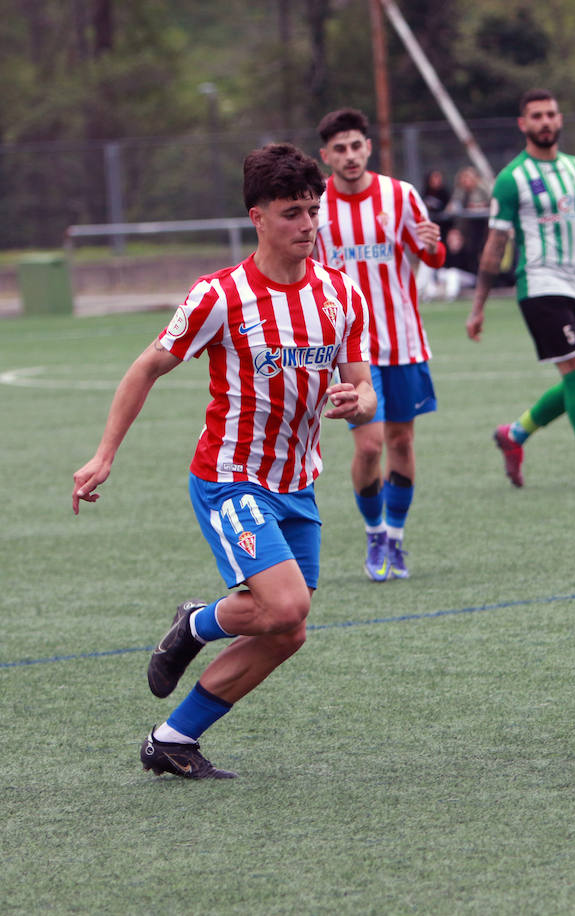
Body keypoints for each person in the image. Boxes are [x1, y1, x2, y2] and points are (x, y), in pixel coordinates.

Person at [71, 143, 375, 779]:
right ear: (257, 217)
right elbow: (148, 365)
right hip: (229, 476)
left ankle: (173, 738)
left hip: (297, 483)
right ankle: (196, 624)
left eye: (313, 210)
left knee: (286, 631)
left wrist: (357, 399)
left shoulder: (339, 294)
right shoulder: (220, 295)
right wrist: (104, 454)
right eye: (292, 213)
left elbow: (364, 388)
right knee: (287, 607)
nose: (309, 225)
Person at [465, 89, 575, 490]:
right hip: (539, 286)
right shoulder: (510, 179)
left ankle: (514, 434)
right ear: (523, 124)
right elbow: (495, 247)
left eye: (551, 114)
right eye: (536, 116)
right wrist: (478, 306)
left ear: (559, 120)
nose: (545, 121)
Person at [317, 109, 444, 583]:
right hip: (351, 351)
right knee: (369, 447)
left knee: (401, 441)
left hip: (404, 341)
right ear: (325, 155)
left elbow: (431, 254)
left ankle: (395, 536)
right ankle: (373, 533)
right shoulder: (318, 205)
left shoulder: (401, 195)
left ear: (367, 148)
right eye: (339, 149)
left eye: (356, 146)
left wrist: (432, 243)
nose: (349, 156)